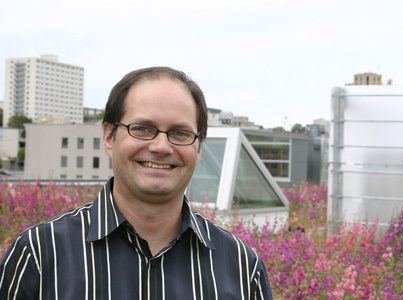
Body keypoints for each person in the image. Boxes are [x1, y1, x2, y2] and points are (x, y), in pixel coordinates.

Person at [0, 67, 273, 299]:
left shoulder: (242, 268)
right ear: (109, 136)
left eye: (180, 133)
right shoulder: (38, 255)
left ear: (199, 149)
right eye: (143, 128)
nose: (161, 147)